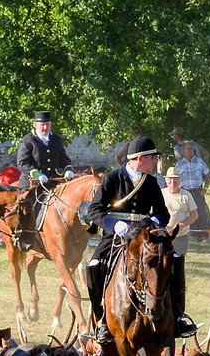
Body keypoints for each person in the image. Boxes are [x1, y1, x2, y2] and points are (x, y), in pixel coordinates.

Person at [82, 136, 195, 344]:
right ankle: (101, 320)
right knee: (94, 264)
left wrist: (153, 221)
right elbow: (93, 211)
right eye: (152, 158)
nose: (154, 162)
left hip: (145, 235)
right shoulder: (111, 179)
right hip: (116, 235)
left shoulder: (151, 182)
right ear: (140, 158)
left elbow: (163, 214)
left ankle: (178, 316)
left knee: (175, 258)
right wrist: (114, 224)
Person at [13, 110, 73, 185]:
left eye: (47, 124)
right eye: (42, 125)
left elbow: (64, 158)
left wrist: (68, 169)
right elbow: (22, 163)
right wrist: (37, 174)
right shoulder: (27, 141)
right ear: (35, 125)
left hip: (55, 180)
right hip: (33, 182)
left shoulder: (56, 139)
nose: (45, 127)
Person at [173, 140, 210, 227]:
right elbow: (175, 179)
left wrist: (205, 189)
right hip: (185, 192)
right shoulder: (178, 165)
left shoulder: (200, 162)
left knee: (201, 213)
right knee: (188, 214)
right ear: (182, 151)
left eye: (191, 149)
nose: (189, 150)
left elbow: (208, 176)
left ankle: (204, 235)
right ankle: (193, 234)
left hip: (198, 191)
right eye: (187, 149)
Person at [164, 167, 198, 259]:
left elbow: (194, 215)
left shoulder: (186, 195)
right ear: (166, 180)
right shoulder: (160, 194)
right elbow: (152, 212)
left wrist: (181, 225)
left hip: (180, 236)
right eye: (170, 179)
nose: (172, 182)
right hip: (163, 235)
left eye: (175, 179)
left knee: (178, 263)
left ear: (179, 180)